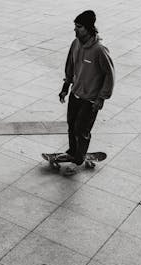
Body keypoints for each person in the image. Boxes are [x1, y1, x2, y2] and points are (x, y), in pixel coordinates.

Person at [58, 10, 115, 175]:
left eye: (79, 27)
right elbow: (70, 66)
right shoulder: (75, 44)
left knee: (81, 130)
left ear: (89, 28)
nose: (75, 30)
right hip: (76, 94)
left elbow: (109, 75)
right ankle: (72, 151)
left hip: (90, 99)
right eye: (75, 26)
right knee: (71, 126)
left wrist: (102, 98)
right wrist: (65, 88)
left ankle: (78, 160)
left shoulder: (100, 50)